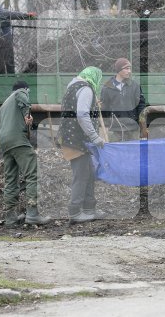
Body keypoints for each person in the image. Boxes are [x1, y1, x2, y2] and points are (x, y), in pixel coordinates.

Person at [0, 80, 50, 226]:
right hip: (18, 140)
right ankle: (32, 213)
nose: (27, 94)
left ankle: (10, 217)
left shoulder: (4, 105)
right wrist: (27, 114)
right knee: (33, 173)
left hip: (5, 143)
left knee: (11, 178)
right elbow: (24, 99)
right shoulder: (20, 93)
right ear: (25, 89)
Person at [57, 66, 106, 224]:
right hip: (75, 139)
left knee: (89, 173)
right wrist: (95, 136)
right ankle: (75, 211)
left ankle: (89, 209)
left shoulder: (73, 87)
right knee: (82, 174)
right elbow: (82, 114)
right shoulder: (86, 89)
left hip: (74, 138)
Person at [100, 58, 146, 142]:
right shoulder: (107, 87)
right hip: (114, 130)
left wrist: (142, 126)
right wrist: (109, 125)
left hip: (133, 128)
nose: (129, 71)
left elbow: (141, 106)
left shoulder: (134, 86)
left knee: (133, 154)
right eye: (126, 68)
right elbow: (104, 109)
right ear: (119, 70)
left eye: (130, 68)